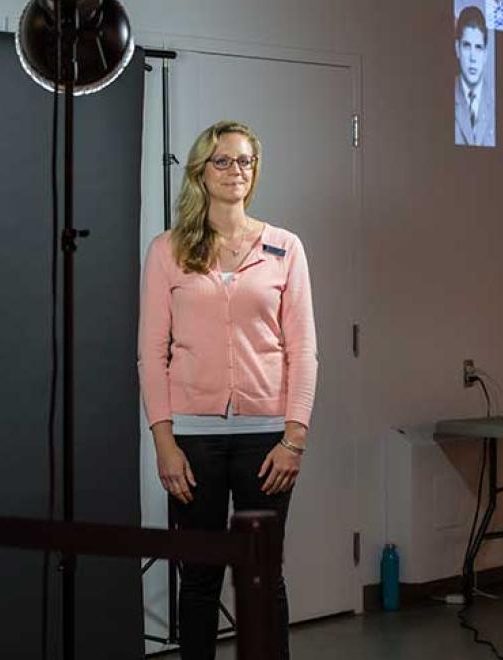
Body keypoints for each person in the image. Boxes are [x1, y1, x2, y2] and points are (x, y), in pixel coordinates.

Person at [138, 120, 318, 660]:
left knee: (264, 578)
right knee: (199, 577)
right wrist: (163, 442)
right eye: (223, 161)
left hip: (268, 440)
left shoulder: (285, 247)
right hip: (192, 439)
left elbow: (304, 350)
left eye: (245, 161)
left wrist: (295, 438)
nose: (235, 171)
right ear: (200, 171)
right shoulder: (167, 250)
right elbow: (152, 352)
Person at [455, 6, 495, 146]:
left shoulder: (495, 101)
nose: (473, 57)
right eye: (466, 46)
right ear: (457, 49)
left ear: (485, 54)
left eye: (478, 47)